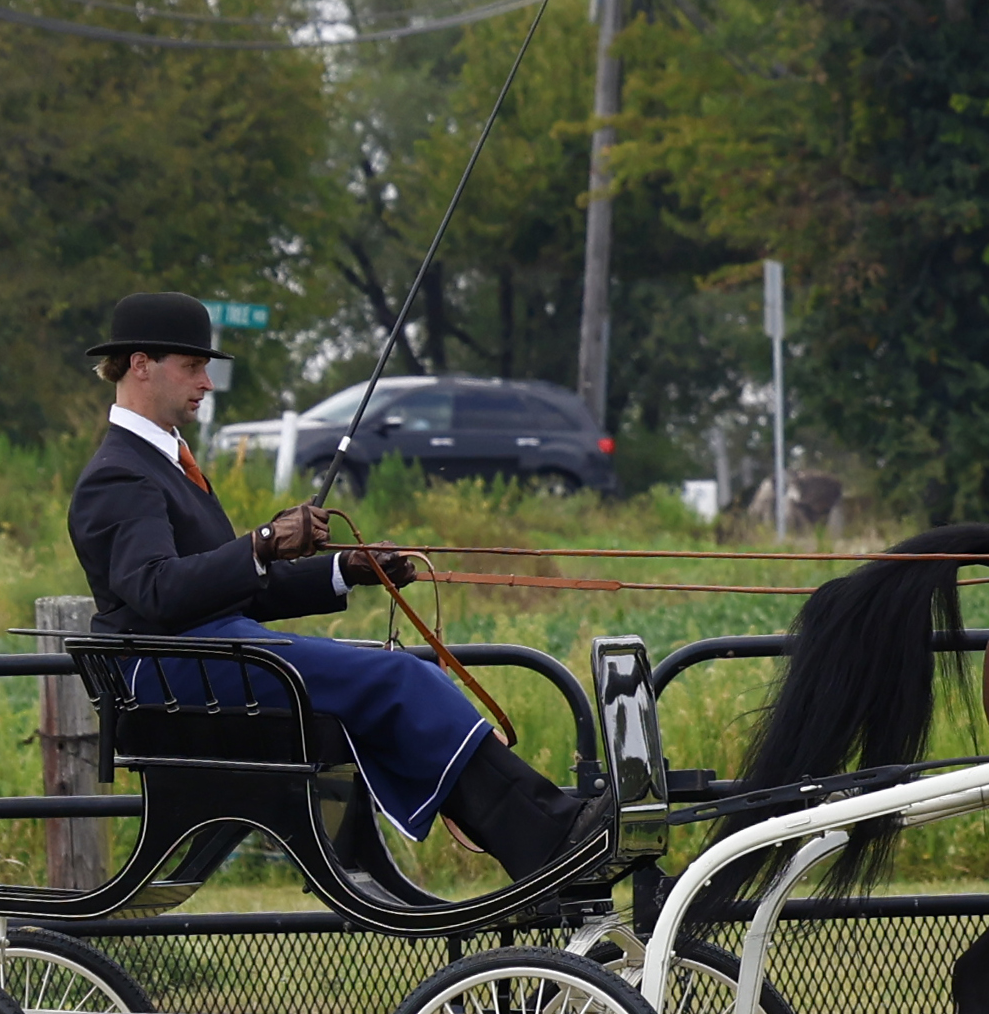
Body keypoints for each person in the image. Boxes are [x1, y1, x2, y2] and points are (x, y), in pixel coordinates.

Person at [68, 291, 614, 877]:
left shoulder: (168, 461)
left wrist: (344, 570)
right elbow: (156, 592)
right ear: (141, 364)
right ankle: (549, 834)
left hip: (210, 652)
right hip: (173, 668)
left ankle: (537, 835)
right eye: (193, 367)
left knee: (414, 672)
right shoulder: (121, 472)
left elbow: (229, 589)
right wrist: (261, 542)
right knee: (399, 675)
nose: (206, 383)